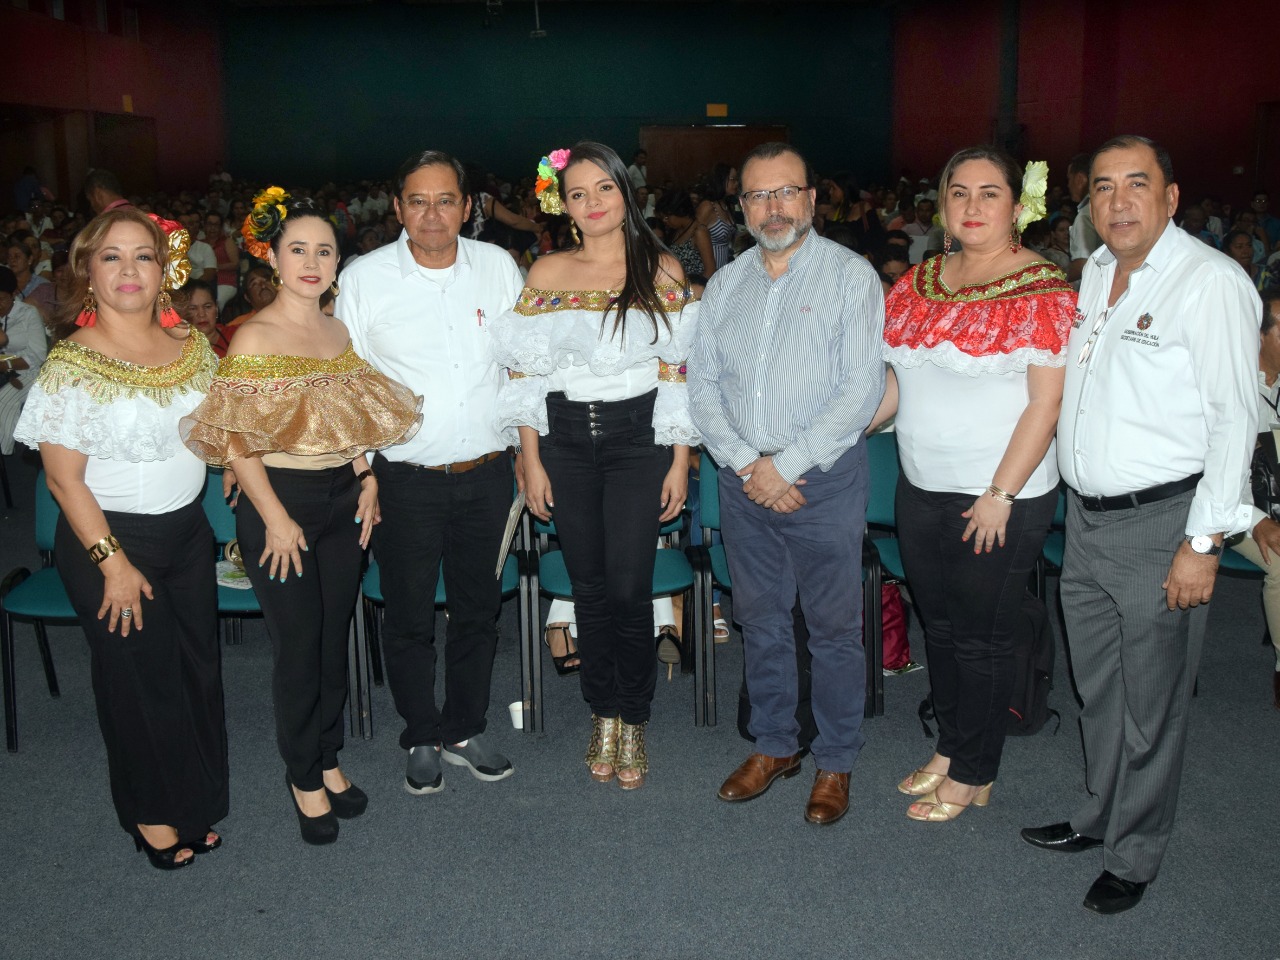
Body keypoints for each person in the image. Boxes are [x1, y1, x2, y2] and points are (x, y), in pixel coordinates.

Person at [1021, 135, 1261, 914]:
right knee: (1099, 690)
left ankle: (1137, 852)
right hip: (1086, 522)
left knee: (1152, 704)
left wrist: (1202, 543)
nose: (1117, 202)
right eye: (1101, 188)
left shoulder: (1211, 283)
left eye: (1136, 184)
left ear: (1172, 196)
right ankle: (1099, 816)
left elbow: (1237, 421)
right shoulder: (1093, 272)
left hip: (1164, 524)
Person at [182, 191, 421, 844]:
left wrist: (367, 474)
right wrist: (275, 518)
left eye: (324, 250)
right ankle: (302, 775)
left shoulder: (337, 328)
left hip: (343, 500)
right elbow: (235, 439)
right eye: (298, 250)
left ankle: (328, 755)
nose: (312, 261)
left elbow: (345, 420)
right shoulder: (255, 333)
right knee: (297, 648)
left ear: (337, 261)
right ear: (274, 258)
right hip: (278, 504)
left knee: (331, 639)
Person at [13, 206, 227, 870]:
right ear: (88, 272)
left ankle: (191, 802)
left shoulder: (191, 346)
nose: (128, 269)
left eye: (143, 255)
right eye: (111, 257)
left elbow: (217, 433)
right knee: (138, 681)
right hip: (108, 541)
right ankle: (149, 813)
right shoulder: (73, 363)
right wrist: (112, 564)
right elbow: (62, 479)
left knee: (196, 673)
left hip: (187, 535)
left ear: (164, 271)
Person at [871, 147, 1074, 823]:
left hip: (999, 495)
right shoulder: (921, 281)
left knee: (985, 636)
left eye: (991, 193)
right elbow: (901, 384)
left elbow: (1045, 405)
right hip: (921, 485)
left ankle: (977, 771)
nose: (973, 206)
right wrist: (836, 431)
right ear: (943, 205)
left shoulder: (1041, 287)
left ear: (1018, 208)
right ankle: (952, 747)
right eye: (959, 192)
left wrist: (1001, 494)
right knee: (945, 628)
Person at [688, 142, 884, 825]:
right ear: (740, 208)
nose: (774, 207)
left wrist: (786, 466)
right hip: (744, 481)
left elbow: (860, 391)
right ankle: (776, 745)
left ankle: (835, 760)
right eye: (758, 196)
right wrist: (748, 466)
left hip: (821, 481)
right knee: (761, 621)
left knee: (833, 631)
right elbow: (704, 388)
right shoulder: (725, 285)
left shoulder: (852, 278)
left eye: (787, 192)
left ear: (810, 198)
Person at [490, 141, 696, 789]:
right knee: (588, 587)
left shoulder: (660, 268)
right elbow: (524, 375)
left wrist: (680, 460)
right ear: (563, 204)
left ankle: (632, 716)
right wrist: (532, 460)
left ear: (624, 191)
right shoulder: (547, 272)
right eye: (578, 194)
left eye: (603, 188)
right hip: (566, 445)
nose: (592, 203)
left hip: (641, 443)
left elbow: (679, 372)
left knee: (631, 587)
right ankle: (601, 710)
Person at [336, 150, 523, 795]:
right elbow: (346, 384)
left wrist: (530, 454)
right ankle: (419, 730)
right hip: (403, 478)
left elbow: (525, 367)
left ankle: (465, 726)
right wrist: (363, 472)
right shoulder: (363, 279)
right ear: (397, 209)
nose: (433, 213)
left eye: (446, 200)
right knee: (409, 612)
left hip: (489, 473)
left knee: (477, 610)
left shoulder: (499, 269)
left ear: (467, 207)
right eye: (418, 201)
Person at [1228, 289, 1280, 709]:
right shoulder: (1234, 383)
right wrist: (1257, 518)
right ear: (1261, 335)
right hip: (1237, 506)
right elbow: (1223, 468)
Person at [0, 266, 49, 455]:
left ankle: (4, 452)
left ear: (13, 294)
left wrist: (7, 364)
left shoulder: (28, 314)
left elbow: (38, 356)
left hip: (28, 370)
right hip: (5, 369)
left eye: (2, 299)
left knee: (4, 400)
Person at [656, 189, 716, 286]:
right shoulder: (675, 231)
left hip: (695, 289)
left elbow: (710, 270)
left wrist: (695, 291)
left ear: (679, 212)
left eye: (667, 217)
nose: (664, 221)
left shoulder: (699, 232)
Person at [696, 164, 739, 270]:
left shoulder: (727, 206)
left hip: (724, 269)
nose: (736, 183)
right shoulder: (707, 206)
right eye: (733, 179)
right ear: (721, 180)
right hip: (709, 270)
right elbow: (694, 239)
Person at [1067, 152, 1101, 283]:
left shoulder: (1085, 214)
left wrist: (1057, 280)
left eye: (1069, 179)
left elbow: (1083, 263)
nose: (1068, 185)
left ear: (1080, 179)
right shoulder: (1101, 209)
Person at [180, 278, 232, 357]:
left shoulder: (235, 336)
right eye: (193, 308)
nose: (201, 314)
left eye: (207, 307)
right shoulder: (175, 346)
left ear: (216, 308)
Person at [205, 210, 240, 308]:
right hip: (204, 282)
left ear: (220, 227)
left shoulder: (227, 242)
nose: (212, 228)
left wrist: (214, 267)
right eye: (210, 224)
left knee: (217, 302)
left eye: (216, 225)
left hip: (225, 281)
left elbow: (235, 263)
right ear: (204, 226)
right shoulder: (200, 243)